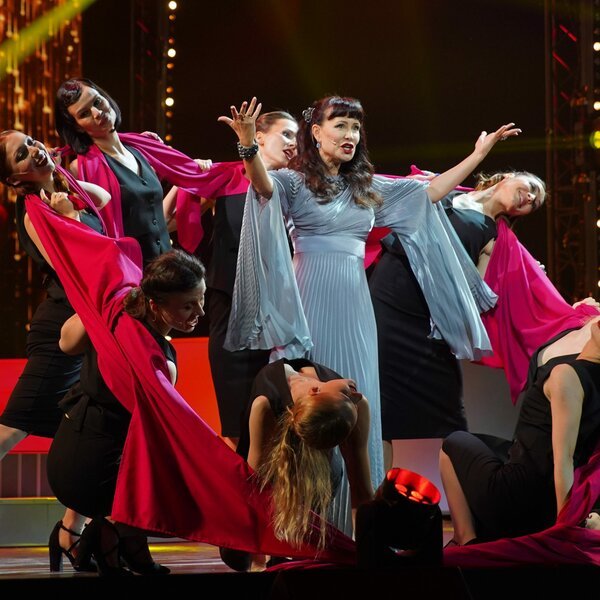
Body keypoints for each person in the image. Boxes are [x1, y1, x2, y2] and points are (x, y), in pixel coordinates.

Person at [219, 95, 518, 532]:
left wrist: (478, 154)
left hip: (356, 305)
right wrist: (247, 145)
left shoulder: (365, 187)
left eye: (356, 127)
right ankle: (302, 524)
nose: (350, 135)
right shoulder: (293, 181)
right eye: (340, 125)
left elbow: (429, 193)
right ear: (316, 132)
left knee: (359, 402)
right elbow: (262, 188)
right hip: (308, 298)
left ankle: (355, 525)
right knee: (307, 408)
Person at [368, 170, 546, 471]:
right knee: (381, 408)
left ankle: (466, 492)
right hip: (390, 293)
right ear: (508, 176)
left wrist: (523, 274)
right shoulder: (446, 189)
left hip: (427, 319)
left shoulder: (495, 237)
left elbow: (478, 294)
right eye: (530, 188)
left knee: (450, 415)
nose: (529, 198)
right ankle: (377, 495)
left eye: (534, 203)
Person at [47, 248, 206, 576]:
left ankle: (111, 539)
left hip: (66, 450)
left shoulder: (115, 316)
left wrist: (101, 305)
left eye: (201, 300)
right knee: (185, 491)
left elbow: (66, 343)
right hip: (91, 474)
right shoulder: (159, 361)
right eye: (189, 305)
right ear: (155, 305)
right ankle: (112, 533)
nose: (200, 312)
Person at [0, 129, 110, 572]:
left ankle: (69, 532)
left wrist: (65, 185)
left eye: (31, 142)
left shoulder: (63, 191)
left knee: (95, 428)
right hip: (61, 328)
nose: (34, 150)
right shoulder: (34, 212)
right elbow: (75, 263)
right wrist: (67, 212)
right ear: (14, 179)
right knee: (13, 427)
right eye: (21, 154)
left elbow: (103, 199)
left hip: (90, 324)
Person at [440, 314, 600, 546]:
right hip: (542, 499)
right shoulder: (581, 374)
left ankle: (466, 541)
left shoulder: (567, 375)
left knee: (452, 442)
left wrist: (563, 530)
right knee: (486, 445)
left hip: (519, 498)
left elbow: (563, 460)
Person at [221, 358, 373, 571]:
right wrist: (257, 561)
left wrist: (366, 554)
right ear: (314, 391)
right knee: (237, 556)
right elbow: (254, 492)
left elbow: (361, 490)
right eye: (347, 396)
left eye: (348, 396)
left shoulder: (356, 405)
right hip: (277, 464)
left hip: (324, 473)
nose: (355, 394)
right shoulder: (265, 406)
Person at [207, 111, 298, 449]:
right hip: (230, 309)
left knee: (282, 418)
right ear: (258, 137)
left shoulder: (296, 186)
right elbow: (168, 219)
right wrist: (187, 181)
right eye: (286, 134)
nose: (293, 144)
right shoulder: (224, 179)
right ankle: (240, 483)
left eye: (296, 138)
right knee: (236, 421)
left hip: (280, 317)